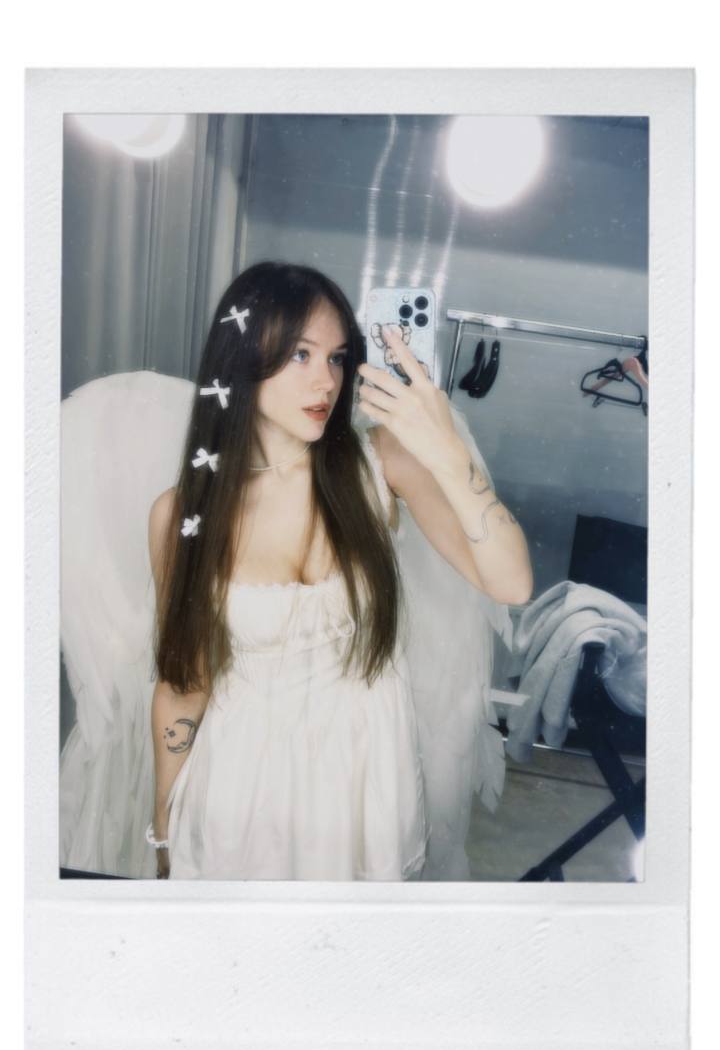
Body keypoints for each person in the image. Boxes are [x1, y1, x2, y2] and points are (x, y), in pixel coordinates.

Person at [146, 261, 533, 880]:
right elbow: (182, 683)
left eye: (337, 357)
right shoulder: (184, 515)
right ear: (241, 358)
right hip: (237, 797)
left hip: (364, 793)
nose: (325, 380)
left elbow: (511, 582)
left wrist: (444, 447)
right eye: (300, 354)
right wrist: (164, 829)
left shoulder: (380, 464)